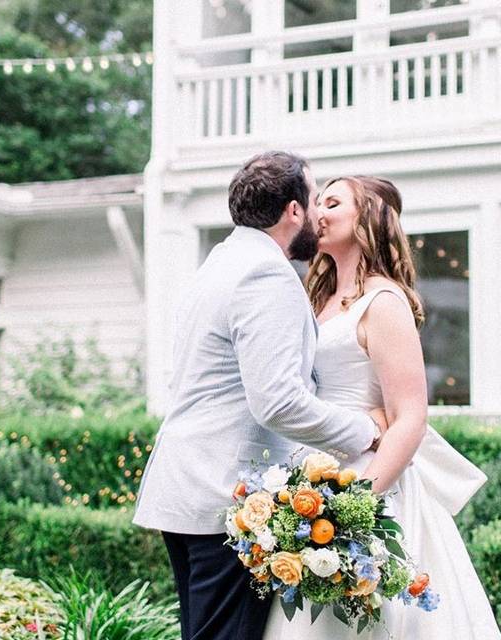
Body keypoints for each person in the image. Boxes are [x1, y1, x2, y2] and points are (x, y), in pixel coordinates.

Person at [133, 152, 387, 640]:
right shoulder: (265, 274)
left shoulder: (220, 262)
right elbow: (277, 402)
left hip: (189, 487)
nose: (319, 215)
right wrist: (366, 429)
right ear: (293, 210)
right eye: (314, 201)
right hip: (221, 495)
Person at [263, 175, 501, 639]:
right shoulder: (318, 301)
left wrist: (355, 507)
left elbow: (411, 416)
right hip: (309, 476)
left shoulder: (384, 302)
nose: (319, 213)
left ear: (367, 218)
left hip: (369, 482)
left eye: (332, 203)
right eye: (317, 203)